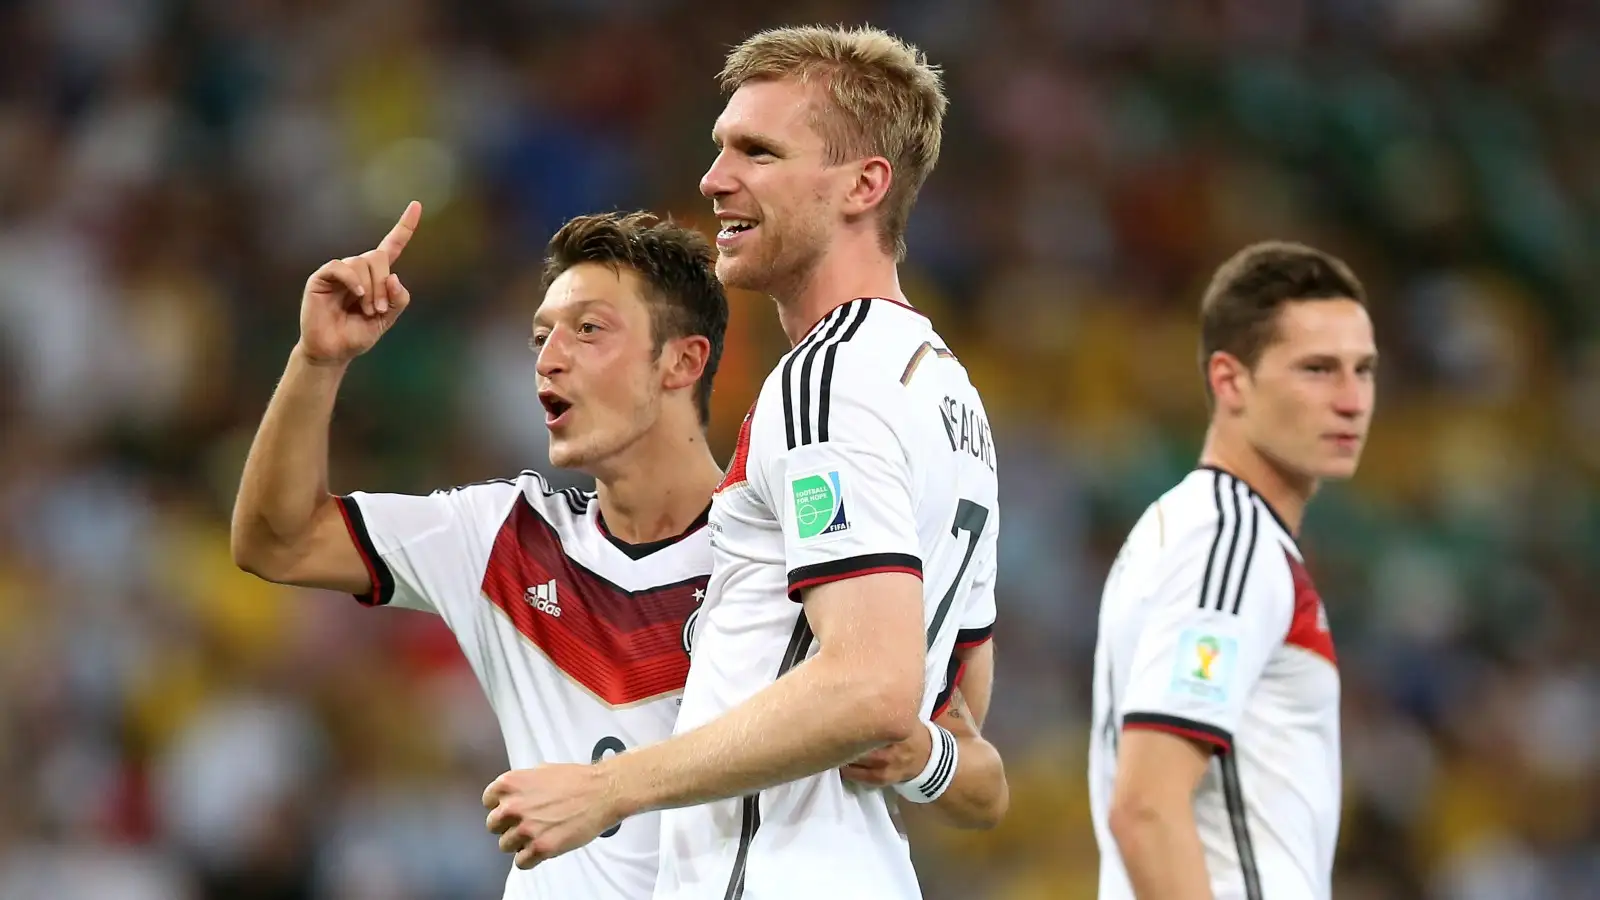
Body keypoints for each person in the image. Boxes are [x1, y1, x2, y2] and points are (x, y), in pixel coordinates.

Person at [231, 206, 1002, 900]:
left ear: (683, 363)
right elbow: (279, 538)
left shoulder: (800, 553)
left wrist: (921, 757)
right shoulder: (502, 537)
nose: (548, 358)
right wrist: (318, 359)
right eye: (542, 337)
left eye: (589, 330)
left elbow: (981, 783)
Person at [481, 25, 1006, 899]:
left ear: (863, 185)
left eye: (758, 152)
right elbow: (956, 729)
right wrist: (919, 752)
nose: (714, 178)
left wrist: (609, 787)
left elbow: (873, 691)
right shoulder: (948, 396)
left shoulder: (826, 379)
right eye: (720, 147)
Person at [1087, 242, 1378, 900]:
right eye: (1318, 369)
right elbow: (1146, 810)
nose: (1352, 400)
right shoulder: (1229, 541)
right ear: (1230, 380)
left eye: (1364, 371)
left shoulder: (1201, 529)